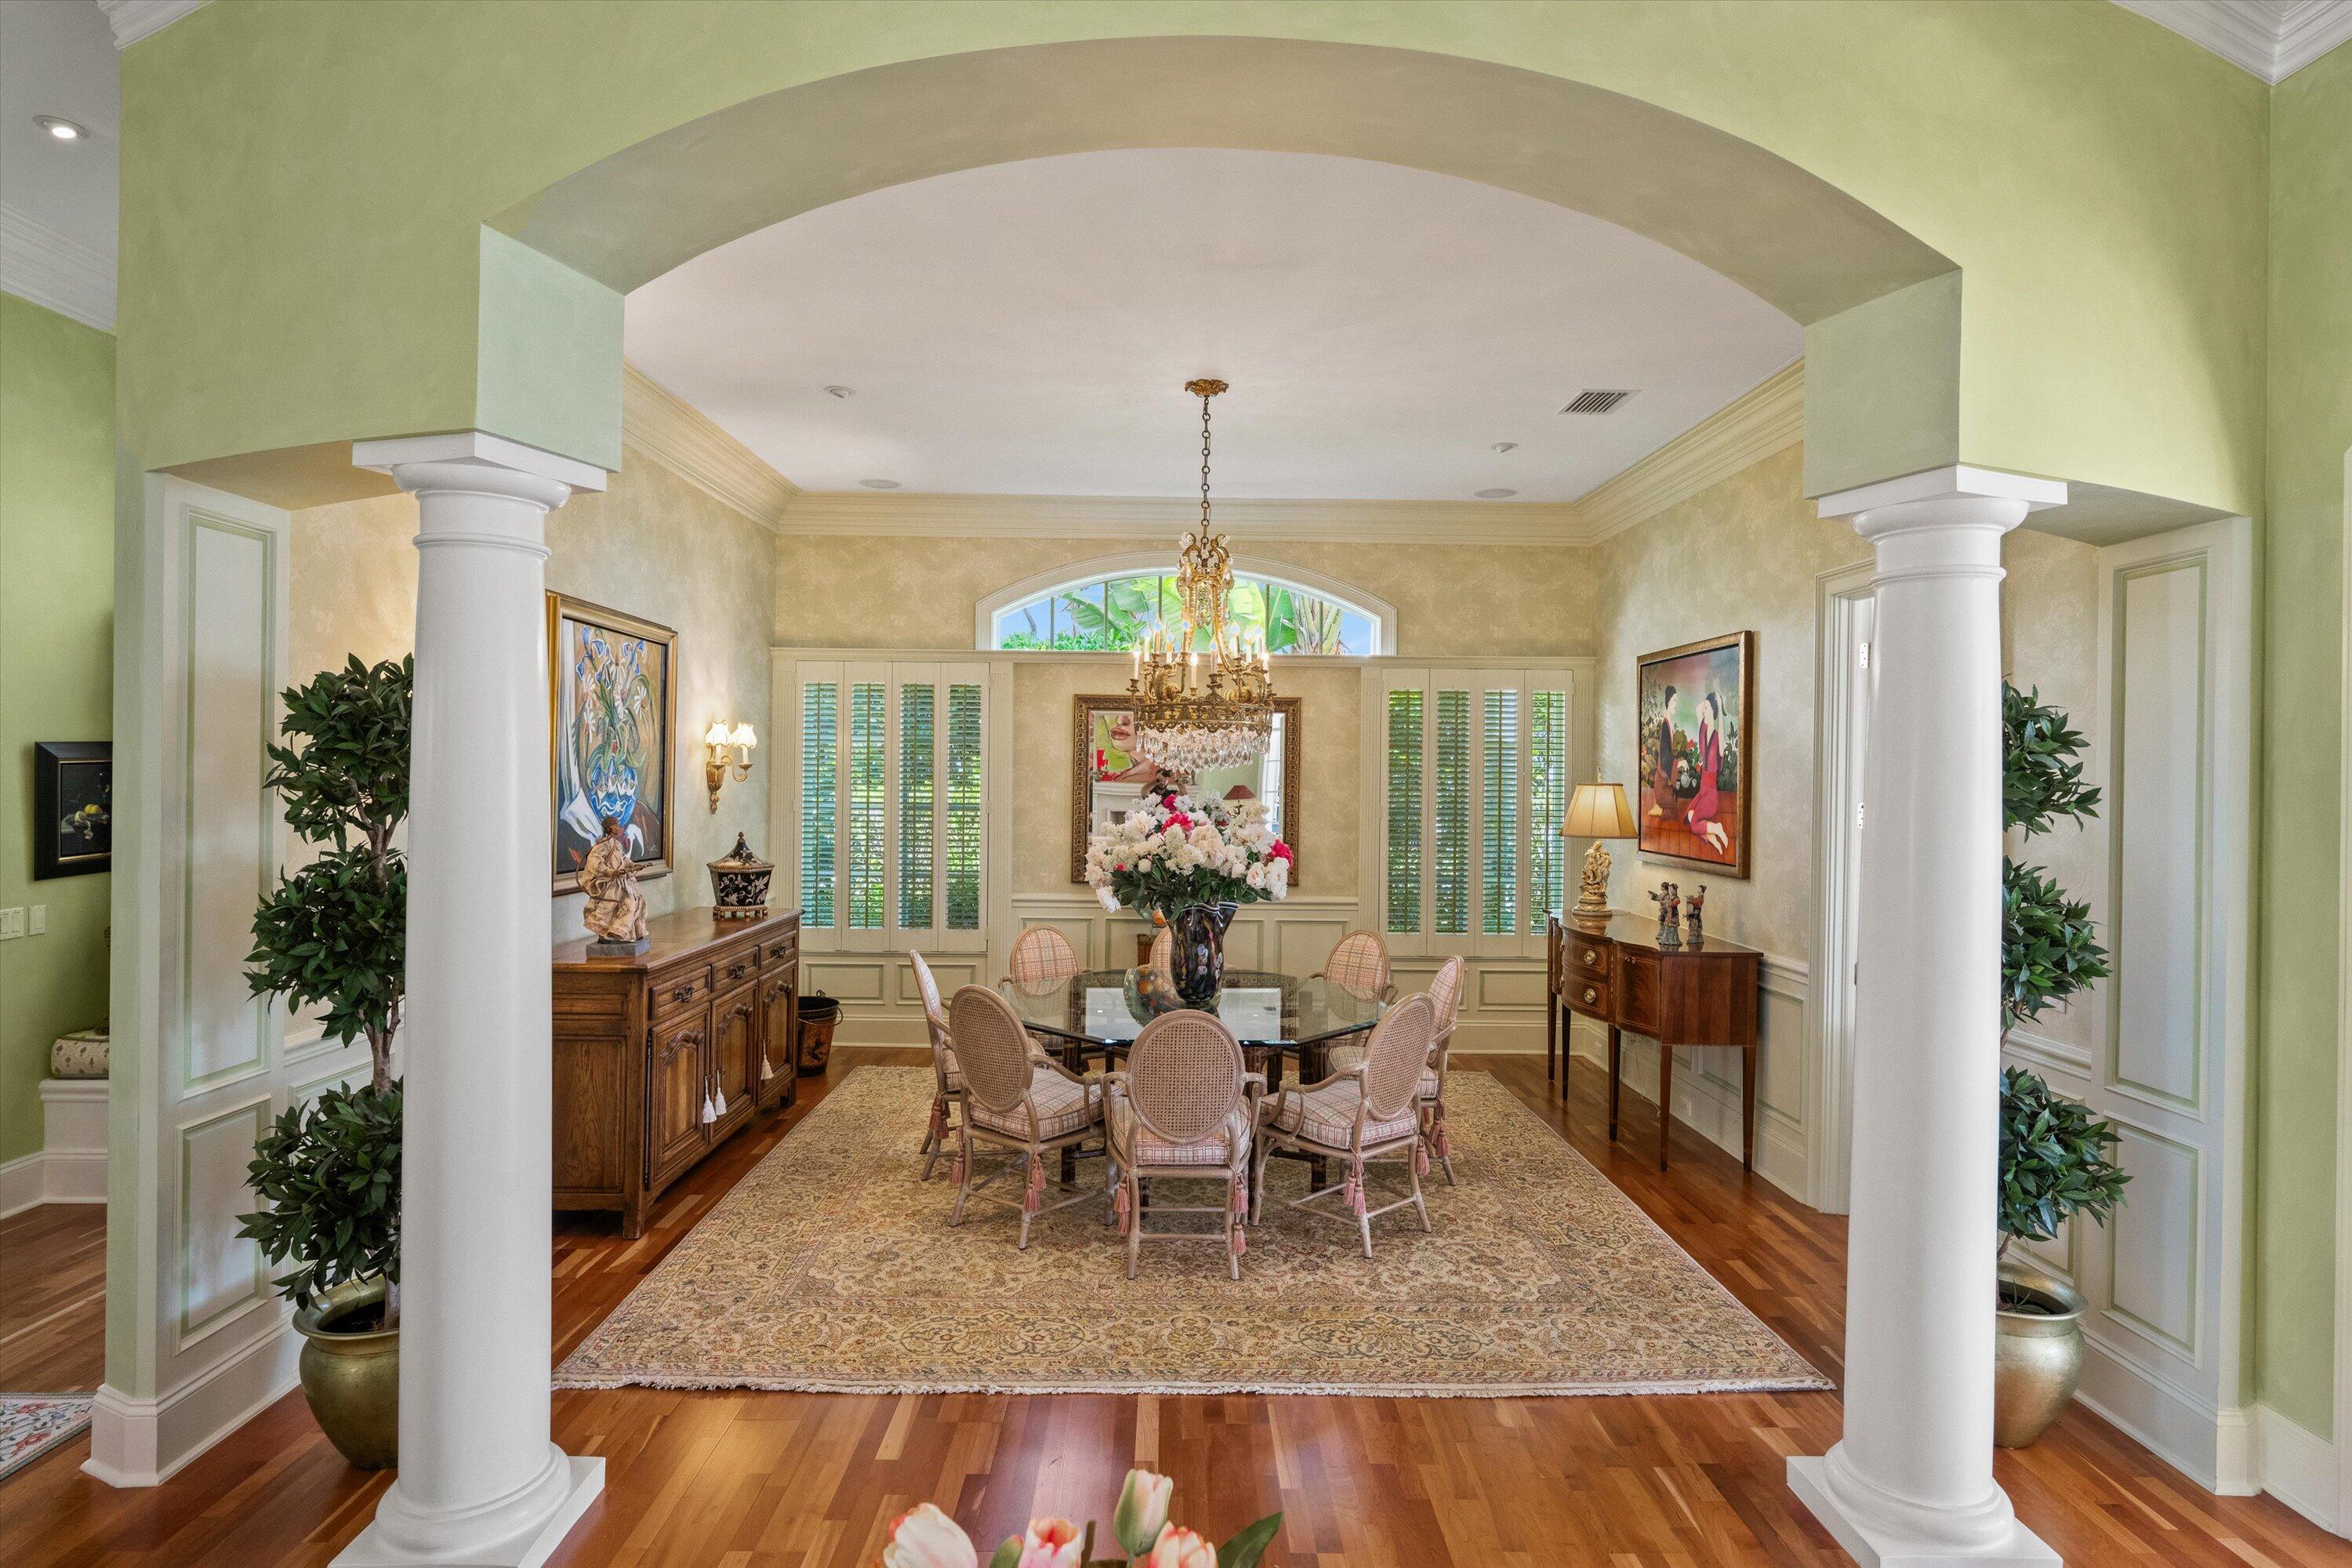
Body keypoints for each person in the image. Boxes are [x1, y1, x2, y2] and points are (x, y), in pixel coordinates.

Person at [579, 815, 649, 945]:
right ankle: (603, 936)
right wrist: (611, 872)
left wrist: (633, 865)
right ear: (608, 828)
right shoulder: (602, 845)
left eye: (618, 825)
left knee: (629, 905)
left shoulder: (617, 844)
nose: (618, 828)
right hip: (611, 883)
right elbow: (595, 862)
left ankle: (627, 933)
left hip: (622, 882)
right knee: (607, 908)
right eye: (615, 826)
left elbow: (623, 859)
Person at [1684, 692, 1731, 855]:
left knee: (1694, 824)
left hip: (1711, 795)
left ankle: (1717, 828)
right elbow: (1698, 708)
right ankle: (1713, 837)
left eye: (1707, 708)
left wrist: (1720, 707)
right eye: (1705, 707)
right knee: (1689, 816)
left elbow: (1722, 745)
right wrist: (1709, 701)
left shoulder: (1718, 738)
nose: (1703, 710)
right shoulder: (1703, 729)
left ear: (1713, 711)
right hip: (1702, 791)